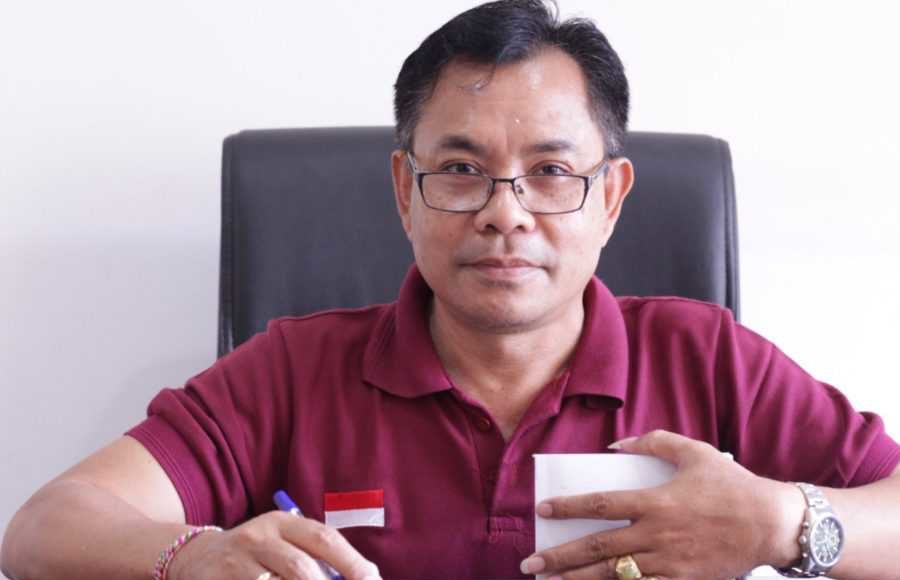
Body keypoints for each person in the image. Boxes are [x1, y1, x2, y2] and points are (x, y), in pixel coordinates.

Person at [3, 1, 900, 579]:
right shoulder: (294, 369)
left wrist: (788, 520)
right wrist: (190, 557)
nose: (506, 213)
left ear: (611, 197)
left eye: (551, 171)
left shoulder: (706, 358)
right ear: (405, 189)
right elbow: (44, 529)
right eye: (462, 170)